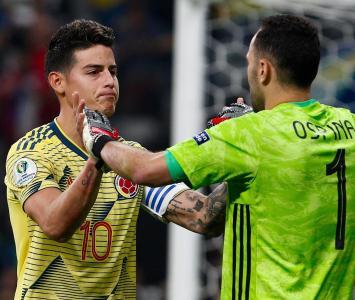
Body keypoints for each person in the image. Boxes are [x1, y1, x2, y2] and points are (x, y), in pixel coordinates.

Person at [75, 15, 355, 299]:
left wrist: (99, 138)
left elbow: (145, 169)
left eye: (248, 62)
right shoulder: (349, 127)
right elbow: (211, 217)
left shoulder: (251, 134)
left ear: (263, 70)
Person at [4, 19, 232, 299]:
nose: (109, 81)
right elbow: (55, 224)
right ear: (58, 82)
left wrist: (238, 151)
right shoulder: (31, 151)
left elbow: (204, 218)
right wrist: (99, 156)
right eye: (94, 72)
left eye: (113, 71)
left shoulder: (130, 158)